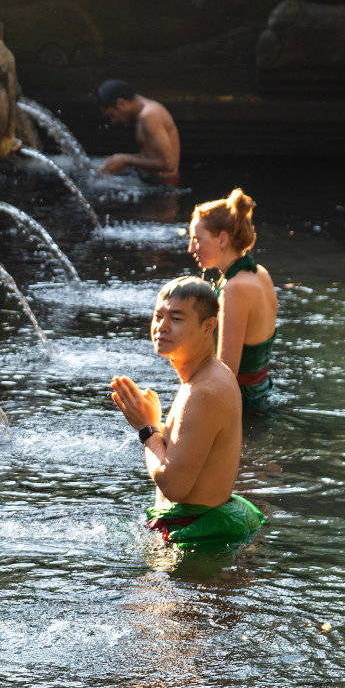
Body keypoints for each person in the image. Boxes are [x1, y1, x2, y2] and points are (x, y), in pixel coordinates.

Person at [110, 276, 264, 547]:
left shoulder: (204, 391)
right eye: (159, 316)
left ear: (208, 326)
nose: (162, 327)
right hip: (195, 535)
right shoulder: (207, 377)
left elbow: (175, 487)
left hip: (197, 547)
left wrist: (148, 429)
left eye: (177, 319)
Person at [188, 188, 278, 412]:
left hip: (243, 405)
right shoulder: (259, 272)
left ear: (223, 239)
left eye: (197, 239)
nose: (191, 248)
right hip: (263, 393)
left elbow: (227, 372)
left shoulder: (234, 288)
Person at [96, 79, 181, 186]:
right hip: (150, 180)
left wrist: (126, 160)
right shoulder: (140, 108)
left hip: (163, 184)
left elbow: (169, 164)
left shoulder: (150, 115)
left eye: (112, 115)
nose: (113, 121)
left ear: (121, 103)